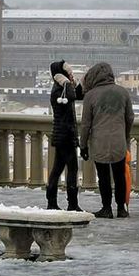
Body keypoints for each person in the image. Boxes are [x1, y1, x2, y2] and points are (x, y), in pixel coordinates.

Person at [80, 62, 134, 219]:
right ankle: (121, 208)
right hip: (119, 140)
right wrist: (125, 135)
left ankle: (106, 208)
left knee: (103, 177)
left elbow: (85, 125)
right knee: (119, 176)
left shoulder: (90, 96)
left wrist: (83, 145)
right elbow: (130, 117)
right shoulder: (123, 92)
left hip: (99, 142)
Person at [45, 60, 84, 211]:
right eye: (68, 73)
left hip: (64, 135)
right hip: (65, 136)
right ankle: (72, 204)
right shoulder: (58, 90)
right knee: (72, 169)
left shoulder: (62, 88)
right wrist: (67, 83)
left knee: (57, 169)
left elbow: (79, 95)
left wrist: (76, 82)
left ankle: (52, 202)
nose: (71, 75)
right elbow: (71, 96)